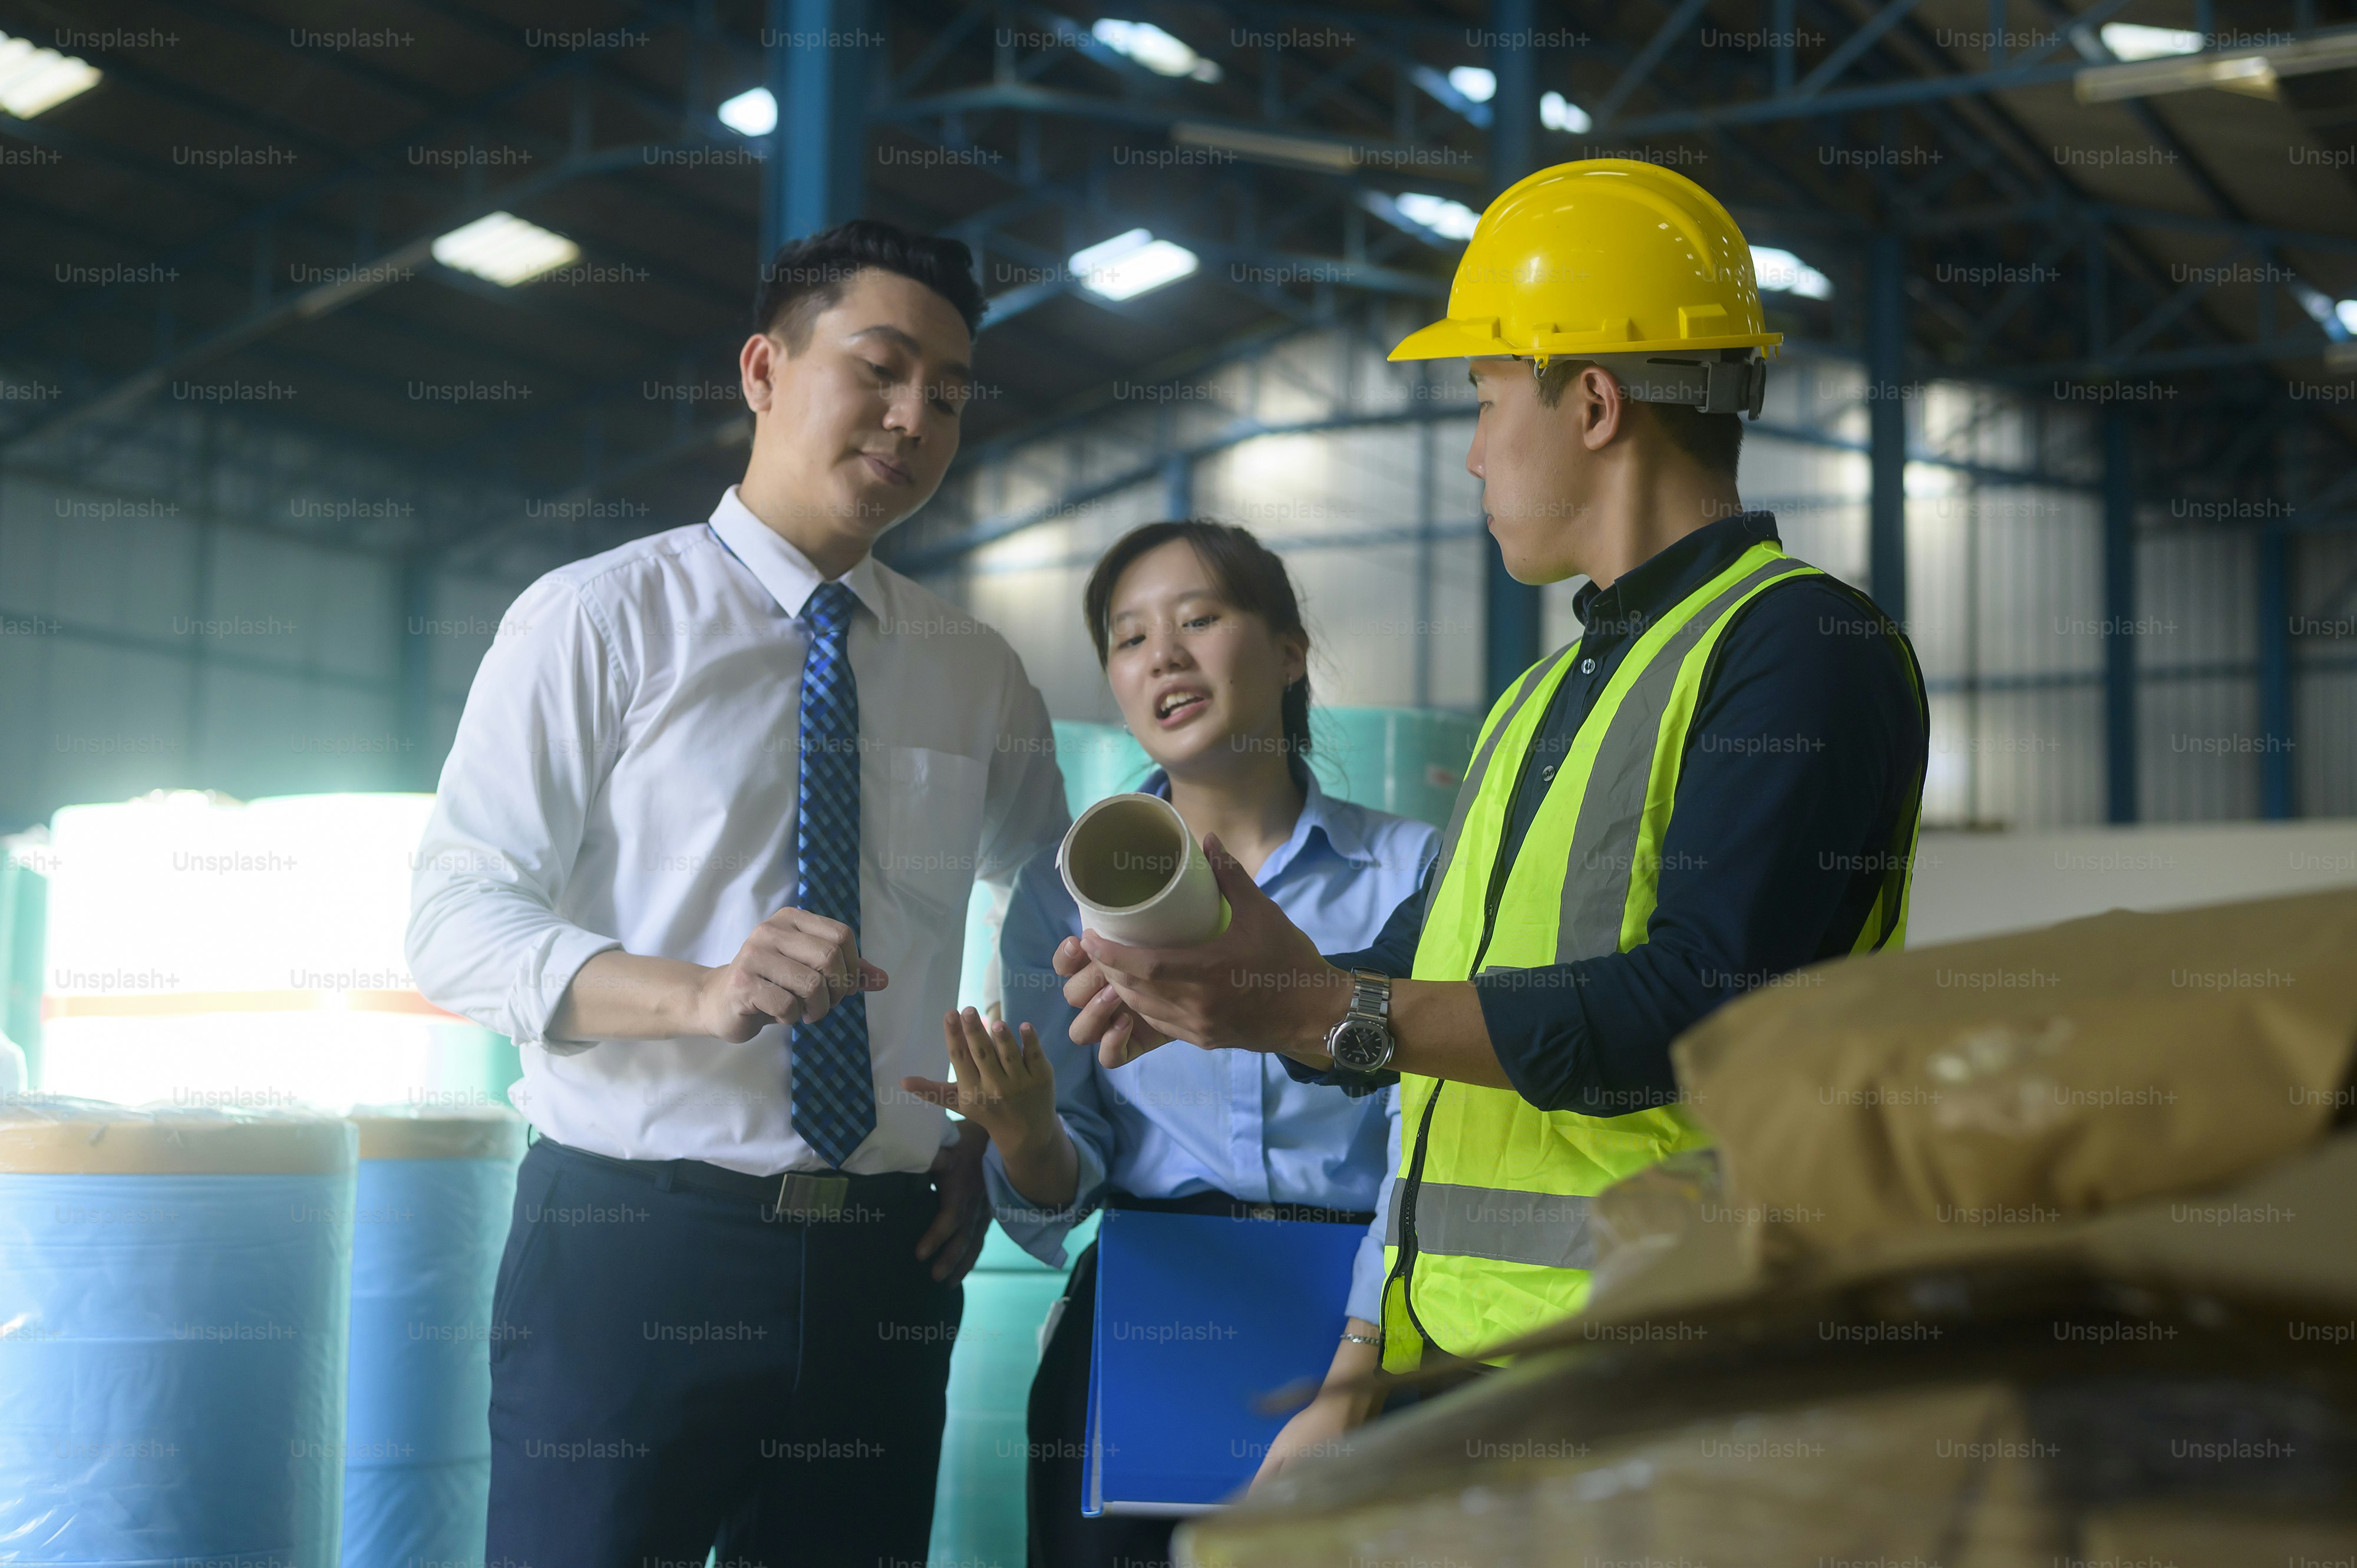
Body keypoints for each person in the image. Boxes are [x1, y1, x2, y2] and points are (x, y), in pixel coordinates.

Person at [1052, 161, 1930, 1406]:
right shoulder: (1538, 696)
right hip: (1456, 1369)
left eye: (1479, 396)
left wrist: (1311, 1007)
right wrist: (1235, 983)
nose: (1468, 457)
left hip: (1665, 1371)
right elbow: (1409, 990)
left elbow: (1701, 1013)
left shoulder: (1797, 650)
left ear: (1588, 401)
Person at [406, 219, 1068, 1564]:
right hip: (636, 1240)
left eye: (947, 394)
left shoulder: (972, 670)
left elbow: (1053, 912)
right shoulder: (597, 620)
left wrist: (991, 1123)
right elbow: (457, 920)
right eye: (879, 368)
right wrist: (697, 990)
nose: (912, 417)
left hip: (890, 1255)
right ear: (763, 370)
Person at [902, 520, 1438, 1567]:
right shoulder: (1064, 897)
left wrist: (1356, 1368)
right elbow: (1064, 1181)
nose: (1165, 656)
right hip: (1143, 1330)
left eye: (1200, 619)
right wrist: (1022, 1134)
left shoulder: (1416, 871)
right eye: (1129, 637)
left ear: (1289, 652)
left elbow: (1439, 1137)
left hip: (1370, 1317)